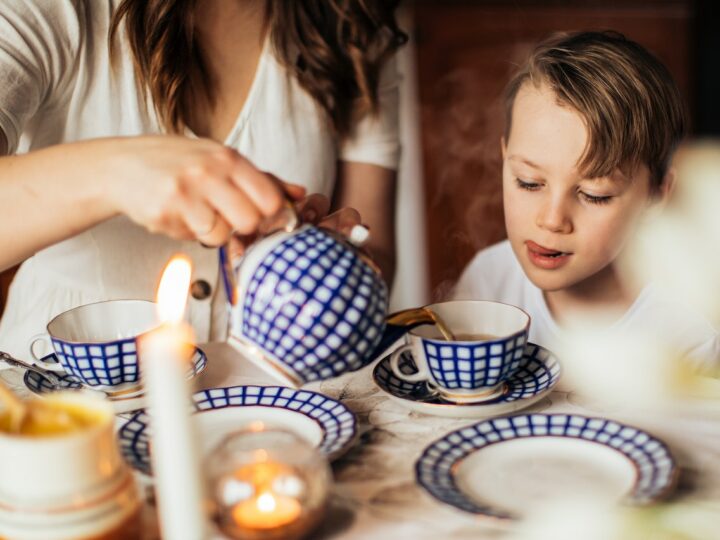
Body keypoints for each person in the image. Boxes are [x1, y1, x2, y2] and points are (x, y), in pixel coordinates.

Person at [0, 0, 405, 359]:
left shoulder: (353, 21)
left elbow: (375, 250)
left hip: (264, 403)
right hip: (54, 406)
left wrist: (324, 264)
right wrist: (117, 171)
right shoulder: (51, 10)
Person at [452, 31, 720, 372]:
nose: (552, 220)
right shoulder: (488, 281)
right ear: (505, 158)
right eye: (529, 183)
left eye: (594, 195)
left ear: (656, 196)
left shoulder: (690, 328)